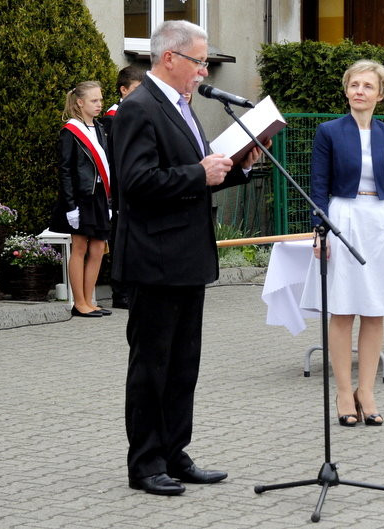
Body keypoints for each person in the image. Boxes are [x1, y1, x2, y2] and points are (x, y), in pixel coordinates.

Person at [110, 20, 265, 496]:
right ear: (170, 58)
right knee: (152, 366)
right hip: (155, 259)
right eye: (199, 61)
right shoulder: (139, 108)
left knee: (183, 365)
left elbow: (198, 176)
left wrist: (239, 167)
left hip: (186, 257)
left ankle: (175, 453)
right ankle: (145, 464)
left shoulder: (181, 105)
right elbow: (136, 183)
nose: (204, 70)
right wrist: (199, 172)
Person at [300, 60, 384, 427]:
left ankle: (366, 391)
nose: (359, 91)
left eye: (367, 86)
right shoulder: (329, 132)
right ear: (346, 90)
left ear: (380, 94)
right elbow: (318, 185)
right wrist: (321, 231)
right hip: (343, 218)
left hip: (379, 221)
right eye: (354, 85)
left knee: (374, 308)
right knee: (344, 308)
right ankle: (343, 391)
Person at [49, 81, 112, 318]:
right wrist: (70, 206)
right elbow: (64, 171)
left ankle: (90, 301)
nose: (99, 104)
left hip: (99, 197)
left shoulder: (100, 128)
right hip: (80, 199)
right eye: (94, 100)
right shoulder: (70, 131)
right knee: (80, 248)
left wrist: (108, 202)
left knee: (97, 248)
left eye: (100, 100)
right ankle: (79, 303)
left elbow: (106, 167)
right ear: (80, 102)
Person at [101, 66, 146, 309]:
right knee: (120, 239)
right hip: (119, 188)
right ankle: (120, 292)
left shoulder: (137, 112)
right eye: (137, 90)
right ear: (123, 90)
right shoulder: (112, 117)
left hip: (135, 185)